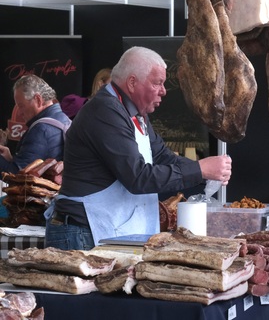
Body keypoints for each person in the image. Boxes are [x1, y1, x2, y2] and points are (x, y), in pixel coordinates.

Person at [45, 46, 232, 251]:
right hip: (82, 233)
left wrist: (206, 171)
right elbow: (137, 177)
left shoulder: (135, 114)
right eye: (157, 83)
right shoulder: (105, 111)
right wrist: (200, 169)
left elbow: (161, 155)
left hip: (103, 231)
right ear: (132, 82)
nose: (164, 90)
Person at [0, 75, 71, 174]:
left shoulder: (41, 130)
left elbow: (17, 175)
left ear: (38, 99)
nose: (19, 112)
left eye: (21, 106)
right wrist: (11, 160)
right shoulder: (64, 119)